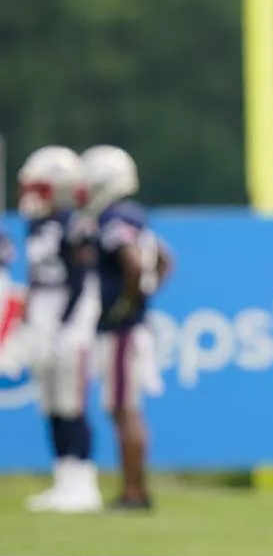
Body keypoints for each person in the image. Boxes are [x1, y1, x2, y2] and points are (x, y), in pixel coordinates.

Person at [80, 144, 174, 512]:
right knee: (123, 408)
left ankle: (134, 492)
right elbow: (164, 260)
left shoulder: (113, 219)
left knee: (124, 408)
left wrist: (126, 303)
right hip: (128, 327)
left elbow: (135, 264)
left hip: (121, 329)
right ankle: (133, 490)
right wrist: (141, 296)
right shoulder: (131, 216)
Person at [16, 145, 103, 513]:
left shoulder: (76, 225)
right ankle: (63, 479)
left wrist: (66, 325)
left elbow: (80, 280)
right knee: (51, 404)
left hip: (70, 323)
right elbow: (38, 280)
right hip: (44, 320)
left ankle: (83, 482)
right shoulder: (37, 226)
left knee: (72, 404)